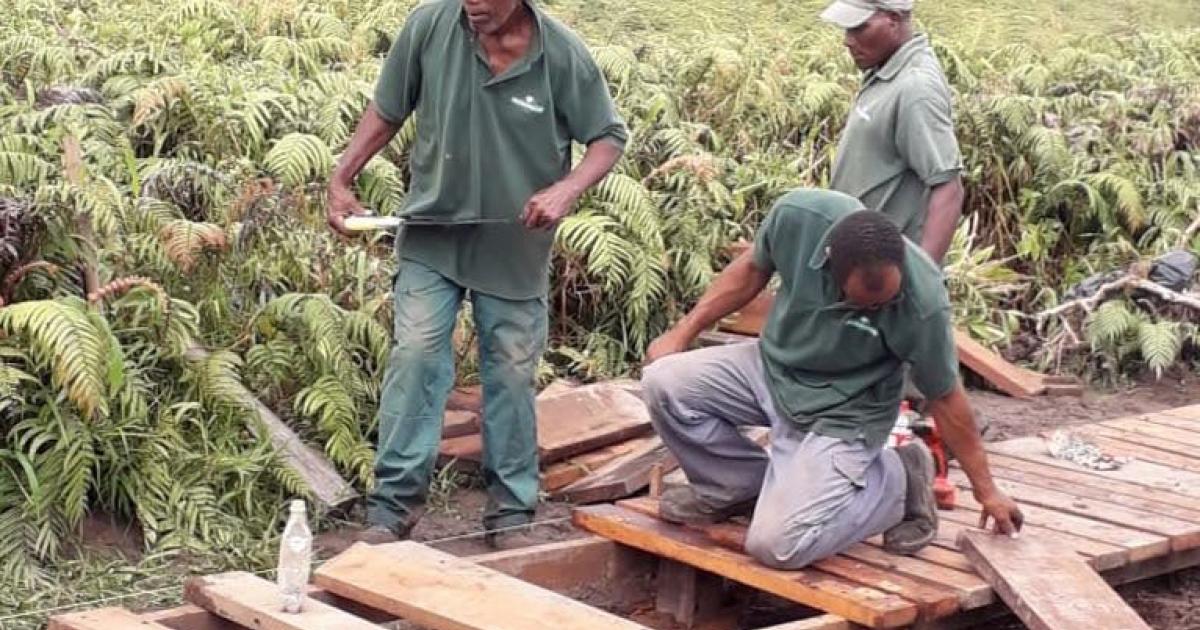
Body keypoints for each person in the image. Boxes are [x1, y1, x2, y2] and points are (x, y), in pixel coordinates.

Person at [326, 0, 627, 548]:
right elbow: (388, 108)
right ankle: (392, 510)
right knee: (416, 355)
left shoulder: (560, 54)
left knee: (509, 374)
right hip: (432, 235)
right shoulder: (429, 25)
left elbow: (607, 136)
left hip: (513, 248)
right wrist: (343, 175)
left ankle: (511, 513)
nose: (474, 5)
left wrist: (566, 190)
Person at [641, 189, 1022, 569]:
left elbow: (946, 398)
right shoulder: (799, 216)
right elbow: (751, 270)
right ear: (830, 270)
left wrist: (986, 490)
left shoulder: (922, 303)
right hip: (773, 370)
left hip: (846, 411)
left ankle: (901, 480)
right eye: (865, 304)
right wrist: (683, 331)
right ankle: (736, 487)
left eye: (883, 303)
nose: (876, 309)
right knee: (664, 383)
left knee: (778, 545)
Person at [821, 0, 964, 266]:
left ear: (893, 20)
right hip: (858, 267)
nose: (847, 41)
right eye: (846, 29)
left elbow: (948, 188)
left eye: (859, 28)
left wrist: (922, 279)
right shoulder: (885, 71)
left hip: (886, 278)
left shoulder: (915, 88)